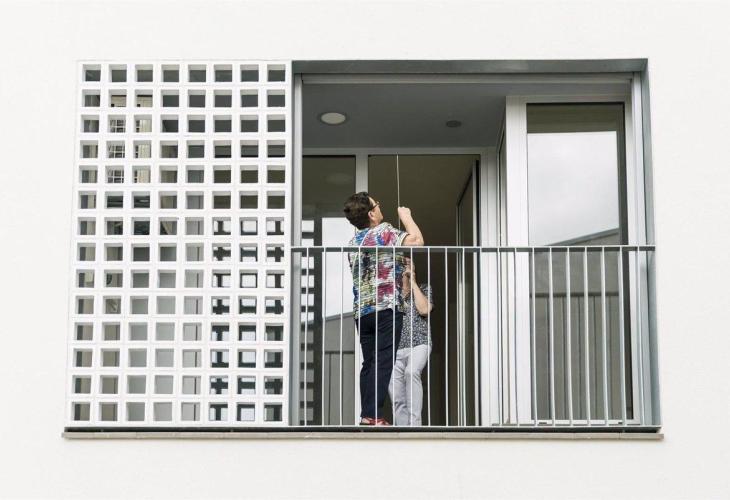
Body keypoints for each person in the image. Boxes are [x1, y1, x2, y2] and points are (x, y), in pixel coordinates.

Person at [343, 192, 424, 426]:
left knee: (369, 363)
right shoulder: (384, 231)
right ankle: (374, 416)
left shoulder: (353, 243)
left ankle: (367, 415)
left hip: (362, 311)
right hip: (386, 306)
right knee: (383, 361)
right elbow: (417, 241)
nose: (380, 207)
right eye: (377, 205)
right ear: (371, 214)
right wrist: (406, 217)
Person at [389, 257, 433, 426]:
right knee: (397, 396)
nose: (405, 267)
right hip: (395, 348)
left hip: (419, 343)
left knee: (411, 372)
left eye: (408, 264)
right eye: (401, 264)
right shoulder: (391, 295)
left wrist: (413, 282)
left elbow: (424, 309)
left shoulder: (424, 288)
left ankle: (415, 426)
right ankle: (402, 430)